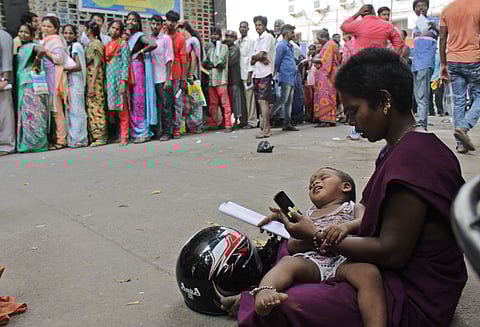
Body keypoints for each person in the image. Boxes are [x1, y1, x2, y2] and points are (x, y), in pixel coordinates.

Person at [221, 48, 468, 327]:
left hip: (413, 293)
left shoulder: (415, 160)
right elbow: (364, 213)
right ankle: (260, 295)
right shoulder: (396, 148)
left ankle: (254, 300)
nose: (350, 121)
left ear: (385, 101)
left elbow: (392, 254)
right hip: (380, 265)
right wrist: (316, 224)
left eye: (353, 110)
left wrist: (316, 234)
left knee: (289, 304)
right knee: (289, 248)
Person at [250, 168, 387, 327]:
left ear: (346, 187)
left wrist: (346, 227)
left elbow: (364, 221)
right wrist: (286, 224)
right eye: (311, 184)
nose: (315, 182)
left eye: (323, 178)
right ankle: (265, 290)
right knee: (288, 262)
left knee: (369, 273)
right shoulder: (309, 214)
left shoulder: (351, 207)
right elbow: (294, 244)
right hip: (314, 261)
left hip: (343, 259)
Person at [440, 0, 480, 154]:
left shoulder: (448, 9)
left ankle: (460, 144)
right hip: (474, 59)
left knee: (459, 100)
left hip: (453, 60)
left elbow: (442, 38)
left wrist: (443, 64)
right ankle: (464, 127)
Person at [15, 24, 49, 153]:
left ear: (31, 35)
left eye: (26, 32)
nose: (22, 34)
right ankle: (29, 143)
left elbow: (42, 51)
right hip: (25, 83)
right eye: (20, 31)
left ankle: (36, 143)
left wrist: (35, 63)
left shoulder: (31, 46)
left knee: (33, 113)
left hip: (30, 83)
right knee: (27, 114)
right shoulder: (21, 48)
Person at [125, 11, 158, 144]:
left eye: (134, 20)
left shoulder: (139, 36)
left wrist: (140, 52)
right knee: (131, 101)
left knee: (138, 100)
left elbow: (153, 44)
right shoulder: (127, 37)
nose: (131, 22)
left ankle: (143, 131)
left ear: (138, 24)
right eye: (129, 20)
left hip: (137, 69)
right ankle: (135, 132)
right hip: (129, 69)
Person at [41, 15, 68, 150]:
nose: (45, 28)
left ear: (55, 29)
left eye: (49, 26)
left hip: (54, 78)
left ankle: (61, 140)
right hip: (45, 78)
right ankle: (54, 137)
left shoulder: (56, 41)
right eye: (44, 25)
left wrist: (46, 52)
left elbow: (59, 59)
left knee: (57, 110)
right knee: (51, 110)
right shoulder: (44, 40)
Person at [412, 0, 439, 130]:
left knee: (423, 94)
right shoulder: (416, 25)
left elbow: (441, 31)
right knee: (418, 95)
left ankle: (423, 123)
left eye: (423, 5)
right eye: (417, 6)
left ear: (427, 7)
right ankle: (420, 121)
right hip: (415, 63)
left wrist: (432, 26)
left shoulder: (435, 21)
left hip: (426, 62)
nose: (420, 7)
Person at [105, 19, 130, 146]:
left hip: (119, 79)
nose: (114, 30)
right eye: (112, 28)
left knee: (122, 108)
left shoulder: (123, 44)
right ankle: (115, 134)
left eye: (117, 29)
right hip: (110, 80)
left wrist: (123, 81)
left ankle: (124, 136)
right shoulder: (107, 45)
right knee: (112, 108)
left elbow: (126, 63)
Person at [249, 16, 275, 139]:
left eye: (259, 25)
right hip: (257, 73)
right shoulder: (257, 40)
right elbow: (252, 60)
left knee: (264, 102)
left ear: (264, 25)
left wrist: (257, 57)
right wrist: (257, 58)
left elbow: (260, 54)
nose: (257, 27)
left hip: (265, 73)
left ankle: (267, 129)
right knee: (260, 101)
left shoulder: (268, 37)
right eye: (256, 25)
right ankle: (265, 128)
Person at [63, 24, 88, 149]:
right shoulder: (68, 47)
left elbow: (78, 66)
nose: (68, 35)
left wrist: (64, 69)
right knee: (72, 110)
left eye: (70, 33)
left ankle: (80, 139)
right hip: (71, 81)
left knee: (77, 110)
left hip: (76, 81)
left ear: (75, 35)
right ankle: (73, 139)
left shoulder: (76, 46)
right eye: (66, 33)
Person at [203, 27, 232, 132]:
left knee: (225, 103)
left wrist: (212, 64)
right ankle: (215, 123)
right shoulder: (210, 49)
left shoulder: (224, 47)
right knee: (213, 103)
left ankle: (228, 124)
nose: (214, 36)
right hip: (211, 80)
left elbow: (220, 61)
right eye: (212, 34)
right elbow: (206, 62)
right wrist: (207, 64)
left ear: (220, 36)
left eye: (216, 34)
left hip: (221, 80)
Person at [163, 10, 187, 140]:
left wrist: (183, 79)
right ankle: (166, 129)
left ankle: (177, 129)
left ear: (177, 23)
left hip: (177, 75)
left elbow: (184, 60)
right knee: (166, 103)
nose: (171, 23)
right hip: (163, 75)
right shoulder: (162, 37)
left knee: (177, 103)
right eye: (169, 20)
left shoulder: (181, 38)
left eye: (173, 21)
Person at [150, 15, 174, 139]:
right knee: (155, 107)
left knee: (166, 107)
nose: (155, 26)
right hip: (151, 80)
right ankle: (156, 131)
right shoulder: (149, 40)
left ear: (161, 25)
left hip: (162, 78)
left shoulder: (166, 39)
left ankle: (167, 132)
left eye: (157, 24)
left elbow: (169, 59)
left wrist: (168, 79)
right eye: (153, 24)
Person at [271, 24, 298, 131]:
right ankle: (268, 117)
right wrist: (277, 73)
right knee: (283, 99)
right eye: (292, 32)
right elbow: (277, 61)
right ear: (286, 33)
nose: (294, 34)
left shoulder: (290, 46)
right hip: (285, 76)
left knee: (289, 101)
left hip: (291, 76)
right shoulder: (281, 46)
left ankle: (287, 123)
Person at [311, 29, 339, 127]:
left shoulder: (329, 45)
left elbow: (325, 60)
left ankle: (326, 120)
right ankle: (329, 119)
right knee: (330, 95)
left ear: (323, 38)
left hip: (327, 74)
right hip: (330, 73)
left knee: (325, 95)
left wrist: (314, 59)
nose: (319, 42)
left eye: (319, 39)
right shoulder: (331, 44)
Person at [85, 21, 107, 147]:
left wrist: (92, 84)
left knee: (96, 106)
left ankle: (100, 136)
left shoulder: (96, 44)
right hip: (90, 77)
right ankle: (95, 135)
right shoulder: (90, 44)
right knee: (92, 106)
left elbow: (98, 64)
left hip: (95, 78)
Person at [184, 21, 204, 134]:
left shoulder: (192, 41)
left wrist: (190, 75)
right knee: (190, 101)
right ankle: (192, 126)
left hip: (193, 76)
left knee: (195, 101)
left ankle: (197, 125)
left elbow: (193, 58)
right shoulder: (189, 41)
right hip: (190, 75)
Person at [237, 21, 257, 129]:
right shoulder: (238, 42)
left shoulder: (251, 41)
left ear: (248, 29)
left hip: (247, 74)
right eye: (241, 27)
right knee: (242, 100)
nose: (243, 29)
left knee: (250, 99)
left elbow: (251, 59)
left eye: (245, 27)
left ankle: (252, 121)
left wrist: (250, 74)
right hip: (239, 74)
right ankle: (243, 120)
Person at [0, 28, 16, 156]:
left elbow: (6, 58)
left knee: (4, 114)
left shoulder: (3, 36)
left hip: (1, 80)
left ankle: (6, 145)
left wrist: (4, 79)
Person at [225, 30, 242, 128]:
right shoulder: (225, 47)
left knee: (236, 98)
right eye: (227, 36)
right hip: (227, 77)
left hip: (234, 77)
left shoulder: (235, 49)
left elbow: (230, 62)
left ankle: (237, 118)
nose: (228, 39)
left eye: (231, 37)